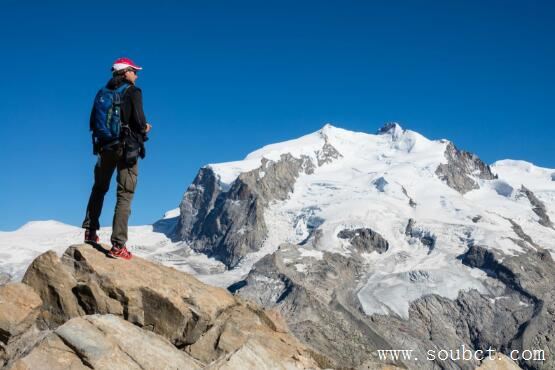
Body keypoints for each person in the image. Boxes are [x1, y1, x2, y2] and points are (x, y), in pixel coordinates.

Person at [82, 57, 152, 260]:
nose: (137, 75)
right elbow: (138, 121)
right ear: (126, 72)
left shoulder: (104, 93)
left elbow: (93, 122)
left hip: (105, 148)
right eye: (134, 71)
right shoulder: (133, 92)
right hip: (126, 149)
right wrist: (145, 128)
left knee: (99, 188)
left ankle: (90, 231)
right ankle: (118, 245)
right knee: (124, 194)